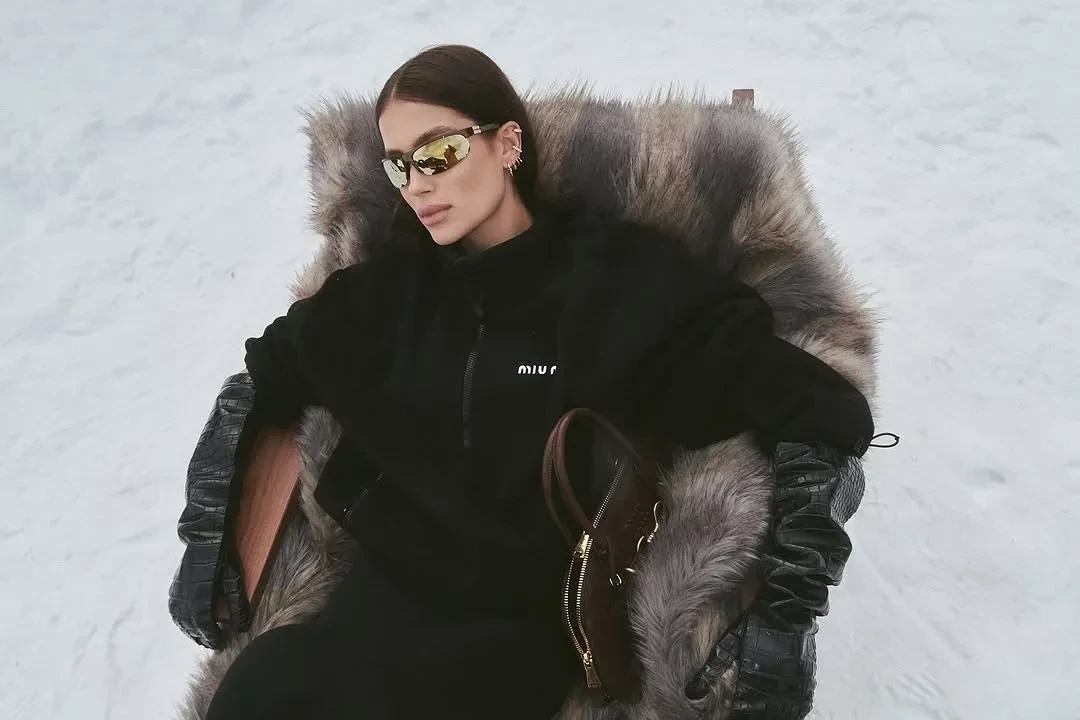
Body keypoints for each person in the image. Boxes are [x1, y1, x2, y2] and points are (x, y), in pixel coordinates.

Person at [168, 44, 876, 719]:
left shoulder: (619, 284)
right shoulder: (385, 299)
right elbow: (266, 373)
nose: (417, 185)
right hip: (365, 614)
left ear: (507, 143)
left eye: (438, 153)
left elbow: (820, 406)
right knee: (257, 687)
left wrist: (788, 607)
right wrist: (208, 525)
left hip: (507, 644)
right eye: (398, 166)